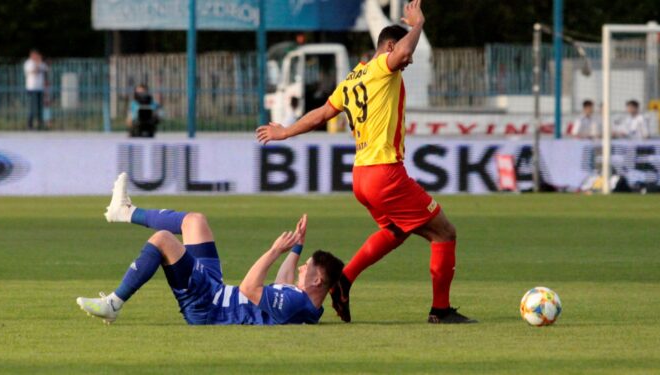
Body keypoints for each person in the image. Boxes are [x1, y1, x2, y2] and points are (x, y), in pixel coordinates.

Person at [256, 0, 475, 324]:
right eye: (404, 51)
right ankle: (440, 310)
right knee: (444, 233)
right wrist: (418, 25)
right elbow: (400, 54)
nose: (409, 59)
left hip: (361, 176)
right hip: (385, 173)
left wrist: (286, 132)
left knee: (395, 231)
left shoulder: (353, 78)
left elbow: (322, 113)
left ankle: (344, 279)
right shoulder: (380, 68)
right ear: (388, 46)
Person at [76, 173, 344, 325]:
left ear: (318, 280)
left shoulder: (298, 304)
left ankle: (113, 303)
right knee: (195, 221)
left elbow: (250, 289)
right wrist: (297, 244)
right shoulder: (300, 302)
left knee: (163, 239)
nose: (301, 267)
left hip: (209, 306)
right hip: (216, 291)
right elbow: (283, 283)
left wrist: (275, 250)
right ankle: (124, 211)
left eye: (307, 267)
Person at [24, 49, 48, 130]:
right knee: (33, 108)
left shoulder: (41, 63)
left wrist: (40, 62)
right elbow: (34, 71)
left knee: (40, 108)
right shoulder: (28, 63)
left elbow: (46, 70)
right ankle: (29, 125)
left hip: (40, 88)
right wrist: (37, 64)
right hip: (32, 88)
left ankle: (40, 125)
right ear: (31, 55)